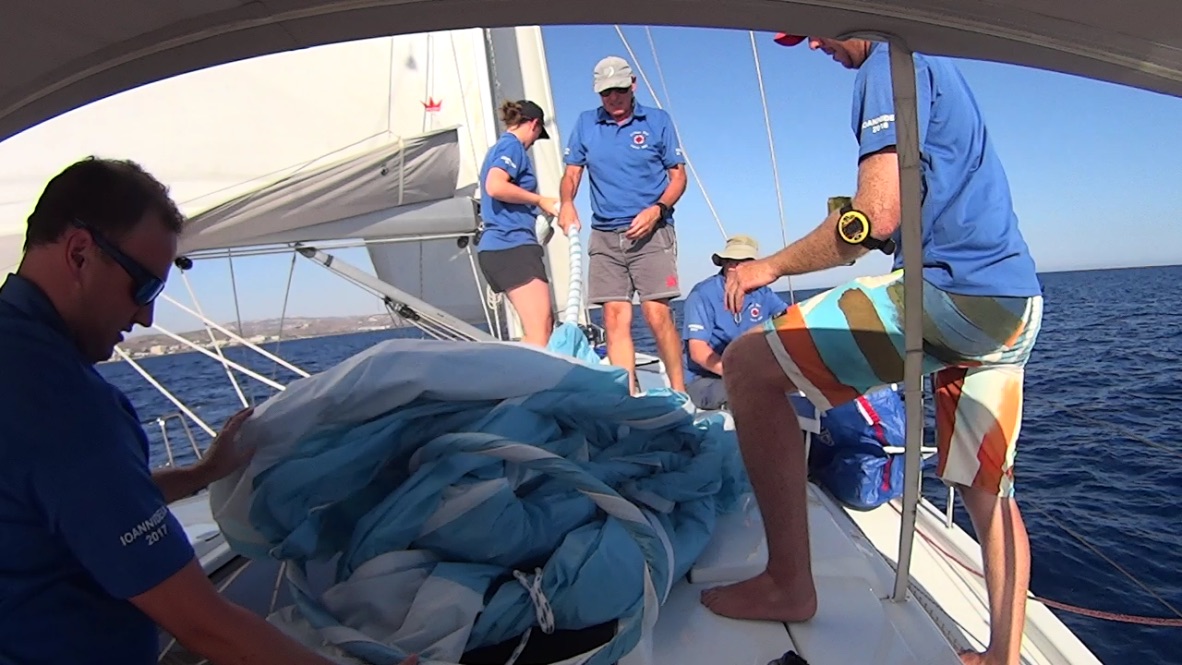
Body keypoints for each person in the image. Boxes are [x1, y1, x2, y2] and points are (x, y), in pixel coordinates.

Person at [700, 35, 1043, 665]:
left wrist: (768, 267)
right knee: (987, 489)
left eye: (813, 28)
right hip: (1013, 302)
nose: (814, 45)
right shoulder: (931, 59)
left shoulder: (886, 62)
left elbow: (873, 218)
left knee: (747, 364)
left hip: (951, 293)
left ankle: (788, 584)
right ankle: (1003, 656)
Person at [0, 157, 418, 665]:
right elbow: (202, 624)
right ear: (80, 252)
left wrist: (203, 473)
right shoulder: (61, 402)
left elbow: (75, 506)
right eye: (144, 287)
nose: (146, 316)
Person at [557, 55, 688, 394]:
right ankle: (627, 398)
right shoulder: (585, 123)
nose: (613, 98)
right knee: (614, 317)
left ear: (633, 85)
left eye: (619, 90)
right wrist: (567, 202)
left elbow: (678, 177)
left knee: (657, 315)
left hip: (652, 233)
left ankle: (680, 392)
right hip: (605, 235)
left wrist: (657, 209)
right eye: (605, 93)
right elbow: (572, 174)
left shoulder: (657, 121)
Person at [477, 99, 560, 347]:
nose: (533, 143)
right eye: (536, 136)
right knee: (540, 331)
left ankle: (520, 369)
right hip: (510, 245)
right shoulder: (512, 147)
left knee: (541, 328)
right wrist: (540, 200)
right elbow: (495, 186)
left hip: (505, 246)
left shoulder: (499, 148)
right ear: (534, 124)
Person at [682, 235, 789, 410]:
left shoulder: (763, 293)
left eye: (744, 262)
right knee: (753, 394)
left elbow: (788, 319)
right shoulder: (702, 294)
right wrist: (738, 374)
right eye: (732, 261)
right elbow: (698, 351)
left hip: (749, 372)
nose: (736, 267)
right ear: (725, 263)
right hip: (704, 380)